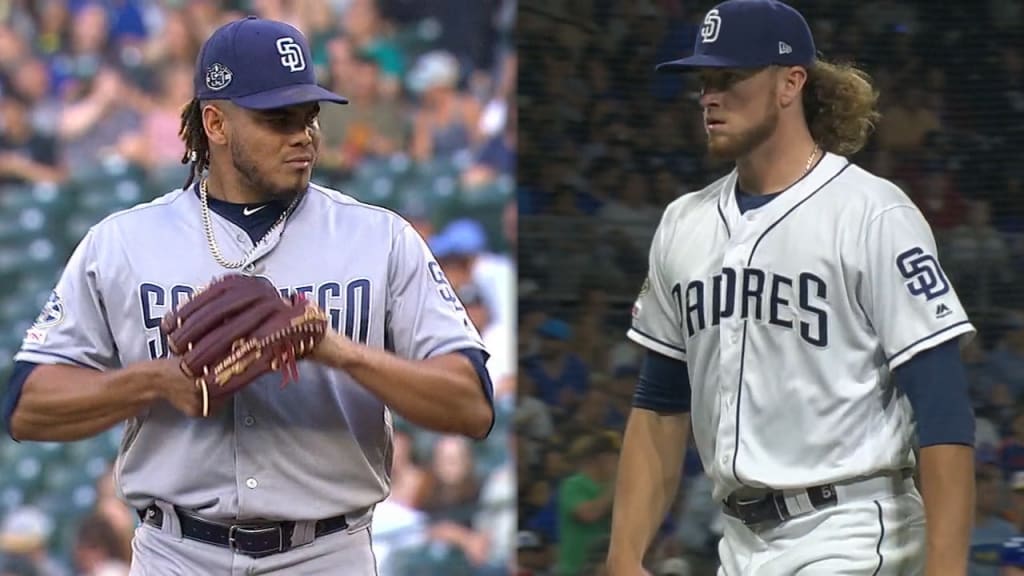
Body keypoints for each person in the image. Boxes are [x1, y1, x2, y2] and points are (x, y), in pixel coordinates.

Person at [2, 16, 494, 576]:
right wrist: (152, 381)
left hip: (327, 553)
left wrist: (339, 351)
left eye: (308, 117)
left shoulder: (382, 239)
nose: (302, 136)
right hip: (176, 554)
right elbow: (28, 406)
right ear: (215, 122)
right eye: (276, 119)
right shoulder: (122, 243)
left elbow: (472, 405)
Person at [605, 1, 976, 575]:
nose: (709, 96)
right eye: (705, 81)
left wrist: (947, 569)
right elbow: (658, 406)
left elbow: (944, 407)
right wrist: (624, 557)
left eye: (729, 78)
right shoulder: (684, 222)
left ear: (790, 83)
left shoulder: (871, 213)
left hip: (852, 531)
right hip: (739, 544)